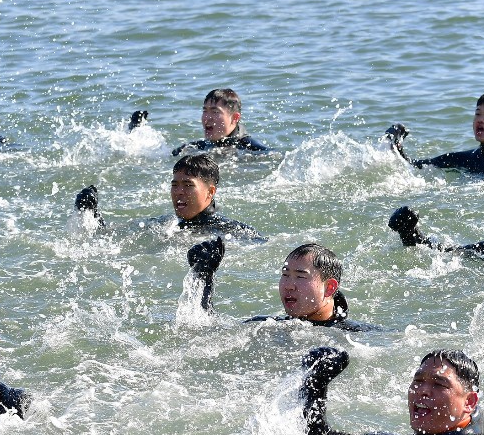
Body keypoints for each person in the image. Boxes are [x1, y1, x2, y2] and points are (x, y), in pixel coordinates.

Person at [298, 346, 484, 435]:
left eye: (439, 384)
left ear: (469, 402)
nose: (423, 391)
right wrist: (315, 384)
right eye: (418, 381)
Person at [186, 237, 372, 331]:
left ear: (329, 287)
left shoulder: (357, 336)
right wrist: (204, 276)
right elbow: (205, 329)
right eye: (285, 275)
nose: (288, 286)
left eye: (300, 277)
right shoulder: (267, 327)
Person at [75, 152, 264, 241]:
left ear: (210, 191)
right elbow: (105, 237)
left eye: (188, 185)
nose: (179, 192)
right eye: (174, 185)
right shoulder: (163, 224)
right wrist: (90, 213)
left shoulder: (231, 232)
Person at [385, 90, 484, 178]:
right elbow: (412, 167)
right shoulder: (463, 159)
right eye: (478, 114)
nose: (481, 120)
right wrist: (395, 145)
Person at [169, 88, 269, 156]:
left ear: (235, 118)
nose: (207, 118)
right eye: (205, 111)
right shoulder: (196, 148)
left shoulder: (250, 148)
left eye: (215, 112)